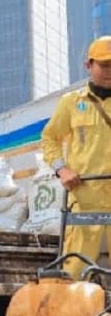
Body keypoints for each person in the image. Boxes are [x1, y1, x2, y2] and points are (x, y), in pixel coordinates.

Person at [42, 36, 111, 280]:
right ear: (88, 66)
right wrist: (62, 170)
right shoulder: (71, 103)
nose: (109, 71)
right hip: (84, 196)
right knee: (74, 270)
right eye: (104, 65)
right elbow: (49, 139)